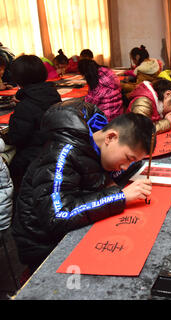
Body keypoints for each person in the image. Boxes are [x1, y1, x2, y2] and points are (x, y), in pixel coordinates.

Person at [12, 99, 155, 273]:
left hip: (68, 229)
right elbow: (57, 216)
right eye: (128, 158)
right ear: (111, 137)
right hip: (44, 244)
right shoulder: (63, 154)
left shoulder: (100, 145)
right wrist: (120, 197)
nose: (126, 166)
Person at [4, 55, 61, 191]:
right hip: (55, 149)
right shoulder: (53, 94)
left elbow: (16, 137)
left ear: (18, 79)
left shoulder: (25, 105)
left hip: (33, 159)